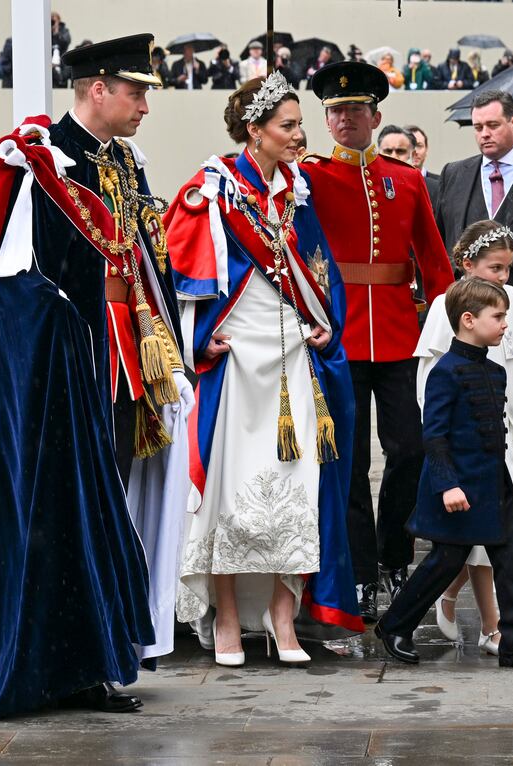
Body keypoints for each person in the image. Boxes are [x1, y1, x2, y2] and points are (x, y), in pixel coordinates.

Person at [0, 34, 189, 720]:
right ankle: (34, 666)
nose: (144, 107)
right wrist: (64, 350)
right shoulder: (34, 163)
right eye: (136, 93)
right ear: (96, 89)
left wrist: (162, 348)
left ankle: (86, 663)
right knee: (47, 507)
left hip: (115, 353)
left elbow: (143, 264)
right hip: (58, 367)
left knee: (96, 506)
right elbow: (9, 286)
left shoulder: (122, 162)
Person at [163, 73, 364, 667]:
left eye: (300, 124)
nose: (300, 135)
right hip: (236, 358)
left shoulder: (299, 190)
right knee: (228, 490)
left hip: (293, 351)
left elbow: (319, 266)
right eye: (288, 125)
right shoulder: (212, 188)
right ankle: (227, 618)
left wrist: (329, 322)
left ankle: (283, 617)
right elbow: (182, 274)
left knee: (298, 486)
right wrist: (200, 339)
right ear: (254, 130)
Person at [302, 61, 453, 622]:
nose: (345, 119)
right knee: (347, 463)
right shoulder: (309, 177)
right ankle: (361, 572)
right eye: (335, 111)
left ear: (375, 116)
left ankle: (394, 557)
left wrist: (449, 324)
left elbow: (434, 261)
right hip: (336, 335)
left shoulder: (406, 179)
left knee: (409, 451)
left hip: (396, 333)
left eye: (354, 110)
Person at [374, 277, 513, 671]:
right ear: (470, 320)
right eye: (499, 316)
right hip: (458, 487)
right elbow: (435, 435)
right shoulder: (445, 371)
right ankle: (394, 625)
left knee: (510, 561)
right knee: (445, 560)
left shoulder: (495, 372)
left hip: (494, 485)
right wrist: (448, 485)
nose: (506, 324)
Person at [415, 220, 513, 655]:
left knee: (501, 539)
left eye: (508, 269)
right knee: (467, 537)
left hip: (510, 433)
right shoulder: (444, 305)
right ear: (468, 263)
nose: (503, 279)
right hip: (466, 440)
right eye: (494, 268)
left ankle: (483, 617)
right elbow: (430, 378)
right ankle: (491, 624)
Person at [435, 90, 513, 414]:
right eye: (478, 127)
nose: (484, 134)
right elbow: (440, 237)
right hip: (469, 313)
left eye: (492, 124)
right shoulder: (455, 173)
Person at [406, 124, 440, 208]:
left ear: (426, 149)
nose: (415, 151)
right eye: (410, 146)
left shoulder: (441, 183)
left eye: (419, 146)